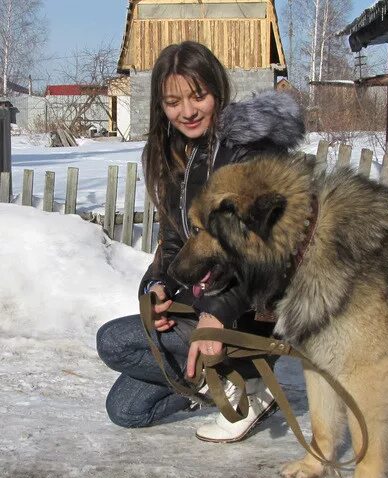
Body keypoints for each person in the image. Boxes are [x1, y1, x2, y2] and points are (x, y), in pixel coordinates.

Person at [96, 41, 305, 442]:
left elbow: (263, 252)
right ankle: (216, 380)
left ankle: (250, 383)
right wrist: (156, 286)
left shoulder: (249, 152)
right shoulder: (173, 154)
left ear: (217, 92)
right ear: (161, 104)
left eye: (198, 96)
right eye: (173, 102)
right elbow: (173, 240)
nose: (187, 112)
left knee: (113, 341)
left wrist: (215, 314)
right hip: (196, 304)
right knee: (125, 410)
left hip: (246, 309)